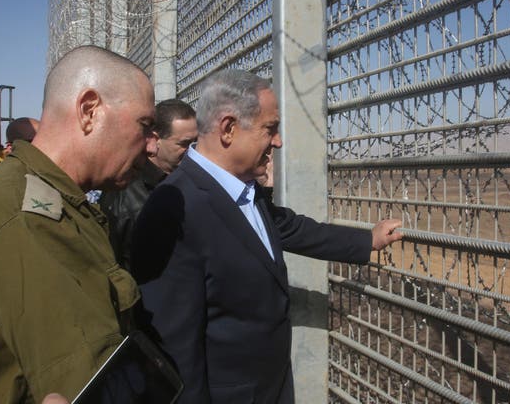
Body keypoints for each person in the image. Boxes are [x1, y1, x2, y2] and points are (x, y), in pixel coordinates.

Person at [131, 69, 403, 404]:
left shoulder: (242, 190)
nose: (278, 141)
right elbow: (174, 350)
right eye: (270, 129)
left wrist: (367, 240)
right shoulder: (174, 209)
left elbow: (293, 228)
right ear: (228, 129)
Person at [0, 45, 157, 403]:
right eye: (145, 125)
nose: (151, 147)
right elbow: (87, 385)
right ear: (90, 110)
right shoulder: (31, 217)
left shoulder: (59, 201)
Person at [99, 98, 198, 269]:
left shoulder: (194, 183)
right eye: (184, 144)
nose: (192, 150)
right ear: (155, 139)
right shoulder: (123, 195)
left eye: (195, 142)